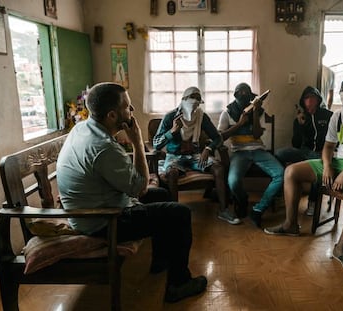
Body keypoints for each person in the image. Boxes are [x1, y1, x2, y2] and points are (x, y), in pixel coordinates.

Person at [57, 82, 207, 303]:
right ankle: (179, 283)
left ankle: (161, 260)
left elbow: (128, 182)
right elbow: (140, 188)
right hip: (102, 221)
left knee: (162, 195)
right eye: (127, 107)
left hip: (94, 208)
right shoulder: (103, 147)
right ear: (111, 115)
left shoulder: (82, 128)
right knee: (180, 213)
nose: (132, 111)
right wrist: (137, 142)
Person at [264, 77, 343, 275]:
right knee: (291, 172)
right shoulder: (337, 116)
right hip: (338, 161)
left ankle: (340, 248)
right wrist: (329, 166)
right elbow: (329, 147)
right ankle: (290, 224)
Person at [153, 86, 240, 225]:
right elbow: (156, 143)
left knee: (218, 168)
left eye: (198, 99)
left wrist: (208, 148)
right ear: (183, 99)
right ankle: (175, 214)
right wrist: (172, 131)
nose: (194, 101)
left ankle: (223, 210)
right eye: (191, 97)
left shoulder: (201, 116)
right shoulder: (171, 117)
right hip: (175, 156)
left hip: (196, 156)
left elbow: (217, 138)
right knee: (172, 173)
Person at [217, 83, 284, 228]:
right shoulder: (227, 112)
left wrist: (255, 112)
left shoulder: (258, 111)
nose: (243, 95)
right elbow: (220, 137)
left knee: (281, 174)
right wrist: (240, 124)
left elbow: (256, 134)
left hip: (258, 150)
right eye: (240, 93)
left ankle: (259, 208)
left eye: (246, 93)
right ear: (235, 95)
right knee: (233, 181)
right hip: (239, 152)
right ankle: (242, 200)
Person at [275, 86, 333, 216]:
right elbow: (295, 144)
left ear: (318, 100)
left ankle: (312, 202)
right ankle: (279, 194)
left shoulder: (328, 115)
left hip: (321, 153)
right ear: (303, 101)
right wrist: (301, 126)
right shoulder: (300, 118)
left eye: (312, 98)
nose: (310, 101)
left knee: (319, 168)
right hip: (304, 151)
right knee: (279, 154)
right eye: (307, 98)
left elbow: (336, 136)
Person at [320, 44, 335, 110]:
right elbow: (331, 97)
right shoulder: (330, 72)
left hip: (311, 109)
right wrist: (328, 110)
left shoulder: (309, 70)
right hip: (324, 108)